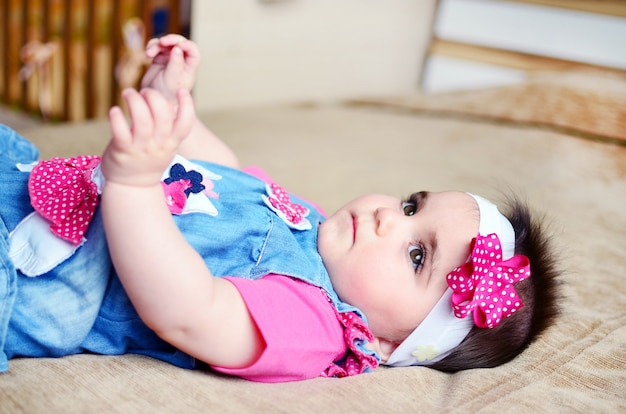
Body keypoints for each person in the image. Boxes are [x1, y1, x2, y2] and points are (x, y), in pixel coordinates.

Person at [0, 35, 559, 383]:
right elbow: (229, 178)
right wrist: (176, 112)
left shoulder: (312, 326)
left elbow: (190, 310)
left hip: (51, 278)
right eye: (413, 205)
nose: (392, 217)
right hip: (39, 194)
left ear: (386, 343)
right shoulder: (312, 226)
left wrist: (134, 184)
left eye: (417, 255)